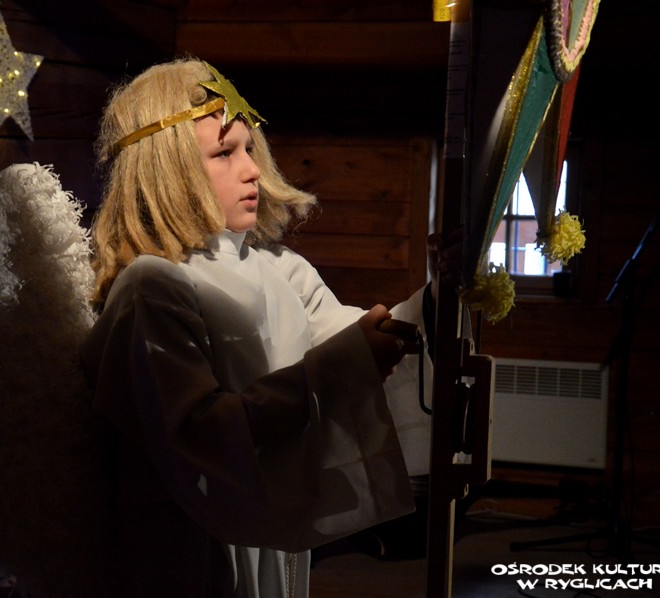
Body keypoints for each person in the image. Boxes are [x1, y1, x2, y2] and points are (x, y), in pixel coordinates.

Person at [81, 58, 459, 597]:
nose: (252, 169)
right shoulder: (151, 288)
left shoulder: (279, 268)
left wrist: (444, 293)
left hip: (266, 538)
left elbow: (361, 340)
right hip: (190, 542)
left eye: (249, 149)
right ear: (167, 169)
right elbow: (200, 436)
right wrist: (347, 365)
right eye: (224, 153)